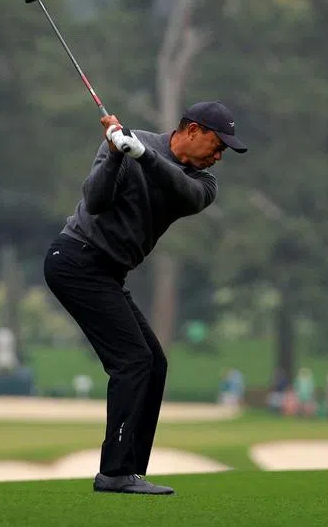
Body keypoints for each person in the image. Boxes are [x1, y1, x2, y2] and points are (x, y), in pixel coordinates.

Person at [43, 101, 247, 495]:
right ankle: (115, 473)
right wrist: (117, 155)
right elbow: (97, 201)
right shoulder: (125, 142)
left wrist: (143, 155)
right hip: (75, 259)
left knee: (153, 364)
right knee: (133, 361)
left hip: (108, 273)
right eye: (218, 145)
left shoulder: (204, 185)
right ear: (192, 130)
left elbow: (181, 191)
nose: (220, 156)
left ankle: (128, 470)